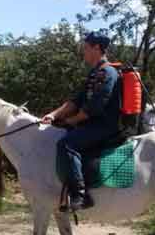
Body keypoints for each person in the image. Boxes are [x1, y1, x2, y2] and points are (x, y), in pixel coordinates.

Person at [41, 32, 121, 210]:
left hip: (105, 125)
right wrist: (53, 115)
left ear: (97, 48)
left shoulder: (107, 73)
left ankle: (80, 194)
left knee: (67, 144)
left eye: (86, 48)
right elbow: (76, 101)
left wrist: (71, 121)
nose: (83, 52)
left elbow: (94, 107)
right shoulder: (95, 73)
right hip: (92, 123)